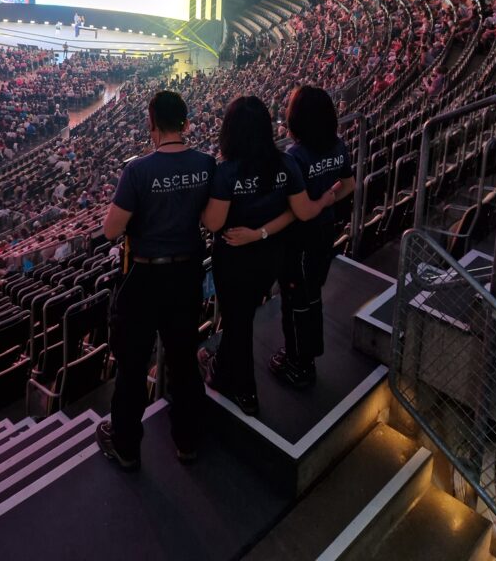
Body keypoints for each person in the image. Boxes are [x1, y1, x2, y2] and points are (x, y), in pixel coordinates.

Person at [96, 90, 215, 470]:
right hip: (187, 273)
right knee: (182, 358)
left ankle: (127, 447)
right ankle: (189, 441)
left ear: (151, 125)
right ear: (186, 123)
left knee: (131, 366)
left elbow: (111, 230)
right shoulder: (207, 164)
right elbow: (212, 221)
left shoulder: (137, 171)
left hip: (146, 276)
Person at [200, 96, 334, 415]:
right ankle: (219, 368)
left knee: (238, 322)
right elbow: (296, 212)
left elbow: (214, 223)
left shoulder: (226, 172)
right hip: (270, 257)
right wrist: (260, 233)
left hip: (234, 260)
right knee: (240, 320)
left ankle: (245, 393)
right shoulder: (285, 163)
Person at [271, 87, 355, 389]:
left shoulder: (294, 156)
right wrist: (329, 197)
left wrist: (319, 202)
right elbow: (348, 184)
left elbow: (301, 210)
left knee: (296, 303)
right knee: (313, 296)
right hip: (324, 232)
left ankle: (299, 363)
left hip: (299, 242)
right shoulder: (338, 145)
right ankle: (307, 353)